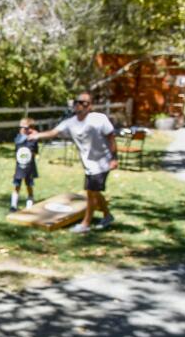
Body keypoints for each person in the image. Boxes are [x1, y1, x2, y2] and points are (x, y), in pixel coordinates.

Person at [28, 92, 118, 233]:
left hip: (102, 162)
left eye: (84, 103)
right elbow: (54, 132)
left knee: (91, 193)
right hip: (89, 164)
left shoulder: (99, 119)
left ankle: (85, 224)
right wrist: (37, 135)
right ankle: (107, 216)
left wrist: (114, 158)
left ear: (90, 106)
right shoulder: (71, 123)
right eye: (78, 102)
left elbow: (111, 137)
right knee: (94, 192)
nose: (80, 105)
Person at [10, 118, 40, 212]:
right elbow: (17, 149)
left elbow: (34, 153)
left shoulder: (33, 140)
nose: (22, 129)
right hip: (19, 168)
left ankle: (29, 205)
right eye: (21, 127)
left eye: (25, 127)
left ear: (31, 129)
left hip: (29, 168)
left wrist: (34, 135)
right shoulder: (18, 138)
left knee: (29, 185)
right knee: (17, 185)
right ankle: (13, 205)